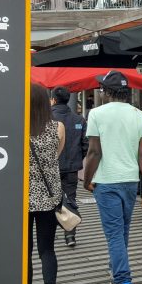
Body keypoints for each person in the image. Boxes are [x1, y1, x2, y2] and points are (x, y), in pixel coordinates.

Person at [83, 71, 142, 284]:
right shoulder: (141, 116)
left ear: (106, 92)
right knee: (122, 231)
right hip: (130, 181)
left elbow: (94, 152)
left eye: (102, 89)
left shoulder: (96, 114)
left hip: (106, 181)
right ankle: (116, 271)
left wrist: (86, 178)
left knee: (114, 233)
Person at [28, 83, 65, 284]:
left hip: (22, 199)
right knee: (47, 249)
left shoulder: (18, 127)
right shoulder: (58, 127)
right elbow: (56, 155)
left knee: (24, 250)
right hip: (50, 197)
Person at [50, 86, 88, 247]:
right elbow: (85, 145)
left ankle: (49, 234)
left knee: (50, 200)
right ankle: (70, 235)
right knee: (70, 199)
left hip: (51, 168)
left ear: (53, 100)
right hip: (72, 167)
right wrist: (77, 158)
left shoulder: (47, 119)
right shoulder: (79, 120)